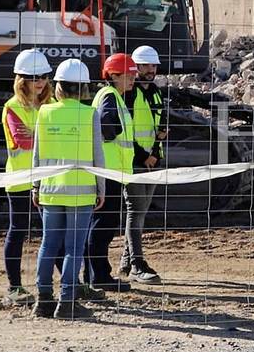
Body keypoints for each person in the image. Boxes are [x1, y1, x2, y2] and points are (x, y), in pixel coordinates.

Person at [31, 58, 106, 319]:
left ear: (58, 86)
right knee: (74, 248)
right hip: (81, 191)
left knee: (48, 244)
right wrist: (101, 189)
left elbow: (37, 155)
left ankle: (43, 300)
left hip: (51, 189)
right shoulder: (89, 114)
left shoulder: (45, 112)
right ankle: (67, 301)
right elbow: (98, 155)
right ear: (84, 88)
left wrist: (35, 187)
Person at [0, 49, 53, 304]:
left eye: (43, 76)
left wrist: (40, 136)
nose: (40, 82)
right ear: (22, 80)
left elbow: (35, 138)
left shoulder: (50, 105)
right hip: (20, 179)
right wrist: (51, 136)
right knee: (18, 230)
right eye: (34, 77)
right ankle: (15, 287)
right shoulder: (12, 107)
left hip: (47, 178)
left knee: (52, 232)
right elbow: (22, 140)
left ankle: (69, 284)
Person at [85, 52, 136, 291]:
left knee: (100, 225)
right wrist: (115, 131)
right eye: (128, 74)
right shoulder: (109, 95)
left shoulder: (111, 95)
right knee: (103, 226)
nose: (133, 79)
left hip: (110, 171)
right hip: (110, 172)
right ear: (113, 76)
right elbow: (106, 124)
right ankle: (99, 276)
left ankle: (93, 275)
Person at [122, 44, 166, 283]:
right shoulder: (129, 93)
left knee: (141, 212)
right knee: (136, 211)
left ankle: (126, 262)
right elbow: (125, 131)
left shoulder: (155, 92)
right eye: (146, 65)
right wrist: (143, 157)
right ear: (135, 67)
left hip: (152, 159)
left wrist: (159, 141)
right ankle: (137, 264)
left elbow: (157, 120)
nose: (151, 70)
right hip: (135, 161)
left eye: (153, 65)